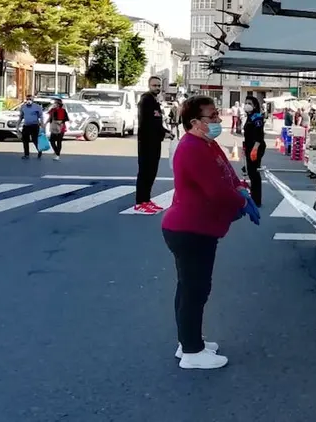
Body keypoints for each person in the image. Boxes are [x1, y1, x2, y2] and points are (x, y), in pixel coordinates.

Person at [162, 95, 260, 370]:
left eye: (218, 115)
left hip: (197, 227)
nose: (218, 120)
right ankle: (192, 351)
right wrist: (241, 202)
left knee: (190, 288)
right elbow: (216, 191)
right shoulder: (191, 148)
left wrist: (240, 187)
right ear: (194, 122)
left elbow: (226, 174)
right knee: (195, 290)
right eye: (212, 117)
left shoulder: (208, 144)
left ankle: (189, 340)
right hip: (190, 228)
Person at [134, 76, 171, 215]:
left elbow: (157, 123)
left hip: (155, 142)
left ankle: (147, 200)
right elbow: (147, 123)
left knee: (152, 172)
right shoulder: (146, 100)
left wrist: (165, 132)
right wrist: (162, 133)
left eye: (159, 85)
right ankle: (140, 202)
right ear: (149, 85)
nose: (157, 88)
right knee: (145, 172)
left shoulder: (155, 101)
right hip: (146, 142)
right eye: (154, 85)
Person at [243, 96, 266, 207]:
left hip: (256, 148)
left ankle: (256, 200)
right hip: (249, 147)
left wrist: (255, 149)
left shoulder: (257, 118)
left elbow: (259, 135)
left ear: (255, 105)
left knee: (254, 173)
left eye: (249, 103)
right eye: (246, 102)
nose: (247, 105)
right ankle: (253, 197)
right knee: (251, 173)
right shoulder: (249, 117)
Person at [18, 94, 44, 159]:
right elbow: (21, 116)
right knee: (25, 140)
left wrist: (42, 125)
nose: (28, 100)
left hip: (34, 126)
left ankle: (39, 150)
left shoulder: (37, 107)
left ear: (33, 99)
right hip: (26, 126)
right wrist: (17, 125)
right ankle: (26, 154)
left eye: (30, 99)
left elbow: (41, 116)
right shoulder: (23, 107)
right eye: (27, 99)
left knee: (34, 139)